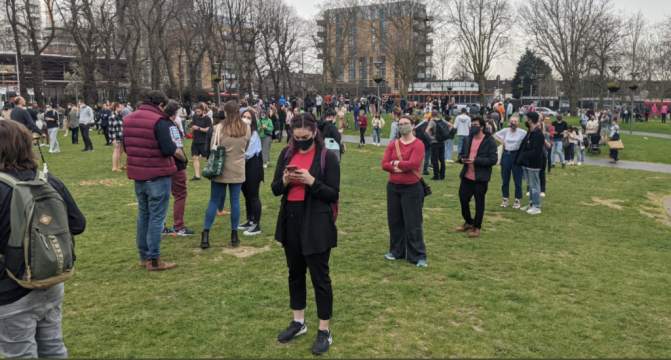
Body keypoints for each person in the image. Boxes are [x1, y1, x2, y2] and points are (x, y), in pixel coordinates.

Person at [0, 120, 87, 359]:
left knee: (19, 353)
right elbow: (78, 224)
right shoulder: (49, 181)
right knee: (54, 348)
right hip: (52, 276)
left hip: (10, 287)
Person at [271, 113, 340, 355]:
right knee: (295, 273)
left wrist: (312, 181)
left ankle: (324, 330)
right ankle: (298, 322)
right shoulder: (287, 153)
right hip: (291, 218)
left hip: (317, 221)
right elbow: (275, 190)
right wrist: (285, 180)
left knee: (320, 277)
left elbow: (333, 194)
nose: (300, 141)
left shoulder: (327, 157)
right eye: (296, 137)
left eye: (305, 137)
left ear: (314, 134)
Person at [124, 90, 186, 271]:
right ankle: (153, 258)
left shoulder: (129, 119)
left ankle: (144, 257)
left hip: (139, 174)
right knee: (157, 218)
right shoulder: (158, 121)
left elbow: (128, 147)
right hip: (158, 174)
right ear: (160, 105)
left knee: (144, 215)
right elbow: (168, 149)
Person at [200, 101, 251, 249]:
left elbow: (212, 147)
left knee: (213, 202)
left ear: (226, 113)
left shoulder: (217, 128)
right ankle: (234, 235)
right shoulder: (246, 129)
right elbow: (245, 148)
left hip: (219, 168)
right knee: (235, 202)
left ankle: (205, 235)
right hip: (238, 169)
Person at [381, 115, 427, 267]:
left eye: (406, 123)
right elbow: (384, 165)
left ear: (413, 125)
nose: (403, 126)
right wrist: (401, 166)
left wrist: (395, 164)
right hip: (393, 188)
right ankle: (396, 251)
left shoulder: (418, 144)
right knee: (395, 221)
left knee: (413, 223)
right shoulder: (393, 145)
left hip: (412, 189)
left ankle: (418, 256)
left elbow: (413, 164)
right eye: (400, 124)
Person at [456, 116, 497, 238]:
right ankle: (468, 222)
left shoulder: (489, 141)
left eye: (475, 125)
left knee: (479, 203)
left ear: (482, 127)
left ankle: (477, 227)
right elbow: (462, 154)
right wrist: (462, 159)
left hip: (480, 178)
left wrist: (476, 160)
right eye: (472, 125)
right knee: (463, 199)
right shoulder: (468, 139)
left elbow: (493, 160)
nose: (472, 127)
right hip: (467, 176)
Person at [162, 100, 194, 237]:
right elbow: (176, 149)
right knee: (180, 194)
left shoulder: (159, 124)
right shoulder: (171, 126)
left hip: (162, 165)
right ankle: (178, 226)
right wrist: (184, 159)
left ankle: (161, 226)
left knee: (162, 196)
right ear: (175, 113)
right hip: (176, 165)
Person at [238, 110, 264, 236]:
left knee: (254, 196)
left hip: (253, 168)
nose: (246, 119)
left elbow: (248, 153)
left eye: (249, 117)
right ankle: (249, 219)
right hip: (243, 168)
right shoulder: (240, 132)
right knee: (247, 195)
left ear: (253, 120)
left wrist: (235, 152)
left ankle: (256, 224)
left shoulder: (254, 134)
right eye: (244, 116)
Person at [494, 116, 527, 209]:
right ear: (509, 122)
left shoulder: (522, 132)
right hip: (506, 155)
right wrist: (502, 142)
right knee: (505, 178)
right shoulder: (505, 130)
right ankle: (505, 198)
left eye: (515, 121)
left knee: (517, 178)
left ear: (518, 123)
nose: (513, 122)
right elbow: (494, 135)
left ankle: (517, 199)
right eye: (512, 121)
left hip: (516, 155)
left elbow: (528, 138)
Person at [516, 112, 545, 215]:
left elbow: (537, 151)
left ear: (531, 120)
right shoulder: (530, 131)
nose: (525, 120)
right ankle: (531, 204)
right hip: (527, 163)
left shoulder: (538, 134)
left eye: (526, 118)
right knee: (529, 184)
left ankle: (537, 206)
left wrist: (524, 155)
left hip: (534, 163)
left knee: (534, 185)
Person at [426, 109, 452, 181]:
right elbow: (451, 125)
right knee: (442, 159)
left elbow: (426, 131)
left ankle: (436, 175)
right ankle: (442, 175)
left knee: (435, 159)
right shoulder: (442, 120)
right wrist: (446, 133)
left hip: (435, 142)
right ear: (437, 114)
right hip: (442, 142)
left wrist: (431, 137)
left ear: (431, 115)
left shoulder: (432, 122)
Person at [190, 103, 212, 181]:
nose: (197, 113)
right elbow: (193, 126)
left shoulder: (207, 119)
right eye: (196, 112)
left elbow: (207, 130)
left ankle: (212, 173)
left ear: (203, 111)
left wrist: (198, 128)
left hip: (204, 141)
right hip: (196, 141)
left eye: (199, 111)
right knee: (195, 157)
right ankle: (197, 176)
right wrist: (192, 129)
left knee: (206, 158)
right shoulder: (195, 118)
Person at [109, 102, 125, 172]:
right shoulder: (112, 117)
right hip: (116, 137)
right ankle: (114, 167)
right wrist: (113, 139)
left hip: (121, 136)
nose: (121, 108)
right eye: (120, 107)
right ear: (116, 108)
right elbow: (111, 129)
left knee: (121, 151)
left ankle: (120, 165)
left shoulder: (120, 116)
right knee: (116, 151)